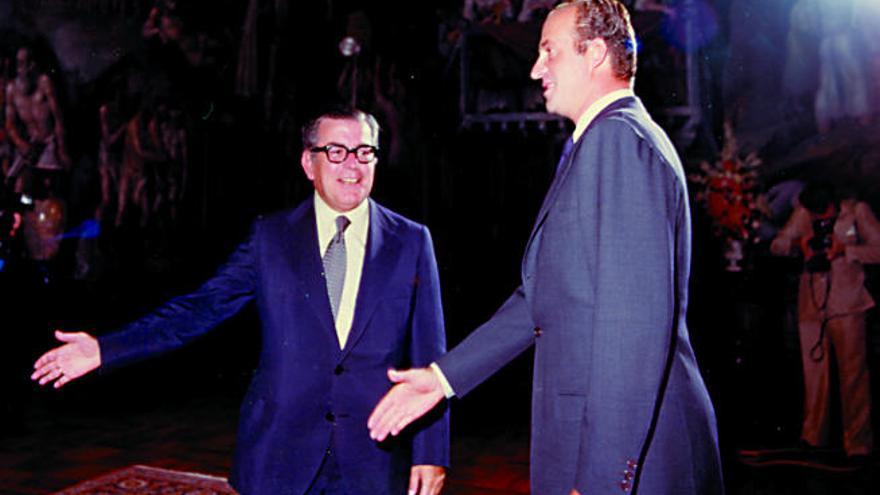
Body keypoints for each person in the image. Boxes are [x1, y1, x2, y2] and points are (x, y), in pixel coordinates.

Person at [368, 2, 723, 494]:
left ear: (595, 54)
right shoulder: (603, 140)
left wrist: (598, 481)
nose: (535, 69)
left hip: (631, 464)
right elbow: (543, 301)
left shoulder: (617, 142)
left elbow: (634, 328)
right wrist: (442, 379)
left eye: (549, 52)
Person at [31, 108, 449, 495]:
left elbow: (431, 356)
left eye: (364, 152)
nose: (352, 166)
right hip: (279, 452)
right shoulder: (271, 238)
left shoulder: (411, 240)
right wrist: (107, 348)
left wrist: (431, 453)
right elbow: (200, 308)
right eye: (336, 151)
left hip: (373, 454)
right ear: (309, 163)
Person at [770, 182, 879, 459]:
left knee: (853, 378)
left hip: (848, 305)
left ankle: (858, 444)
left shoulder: (857, 212)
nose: (820, 219)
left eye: (825, 213)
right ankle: (813, 437)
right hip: (813, 305)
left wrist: (846, 251)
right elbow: (777, 245)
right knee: (814, 376)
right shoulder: (805, 212)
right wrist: (799, 245)